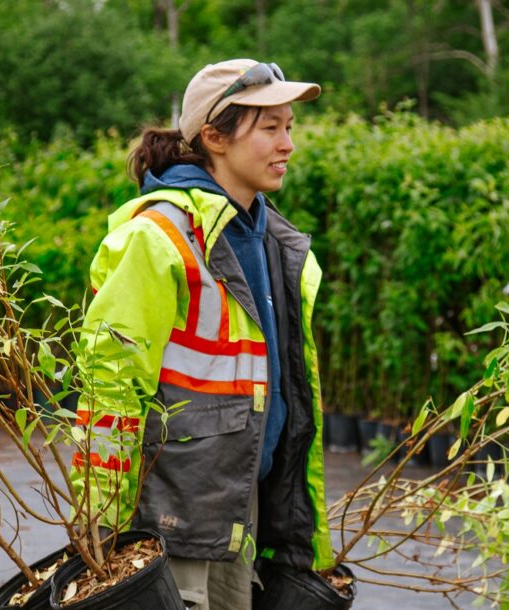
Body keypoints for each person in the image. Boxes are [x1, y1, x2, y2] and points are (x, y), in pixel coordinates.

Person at [75, 59, 333, 610]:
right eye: (270, 128)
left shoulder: (270, 239)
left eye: (290, 126)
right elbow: (110, 387)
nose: (288, 144)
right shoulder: (159, 235)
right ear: (214, 137)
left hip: (241, 508)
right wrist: (99, 530)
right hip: (175, 518)